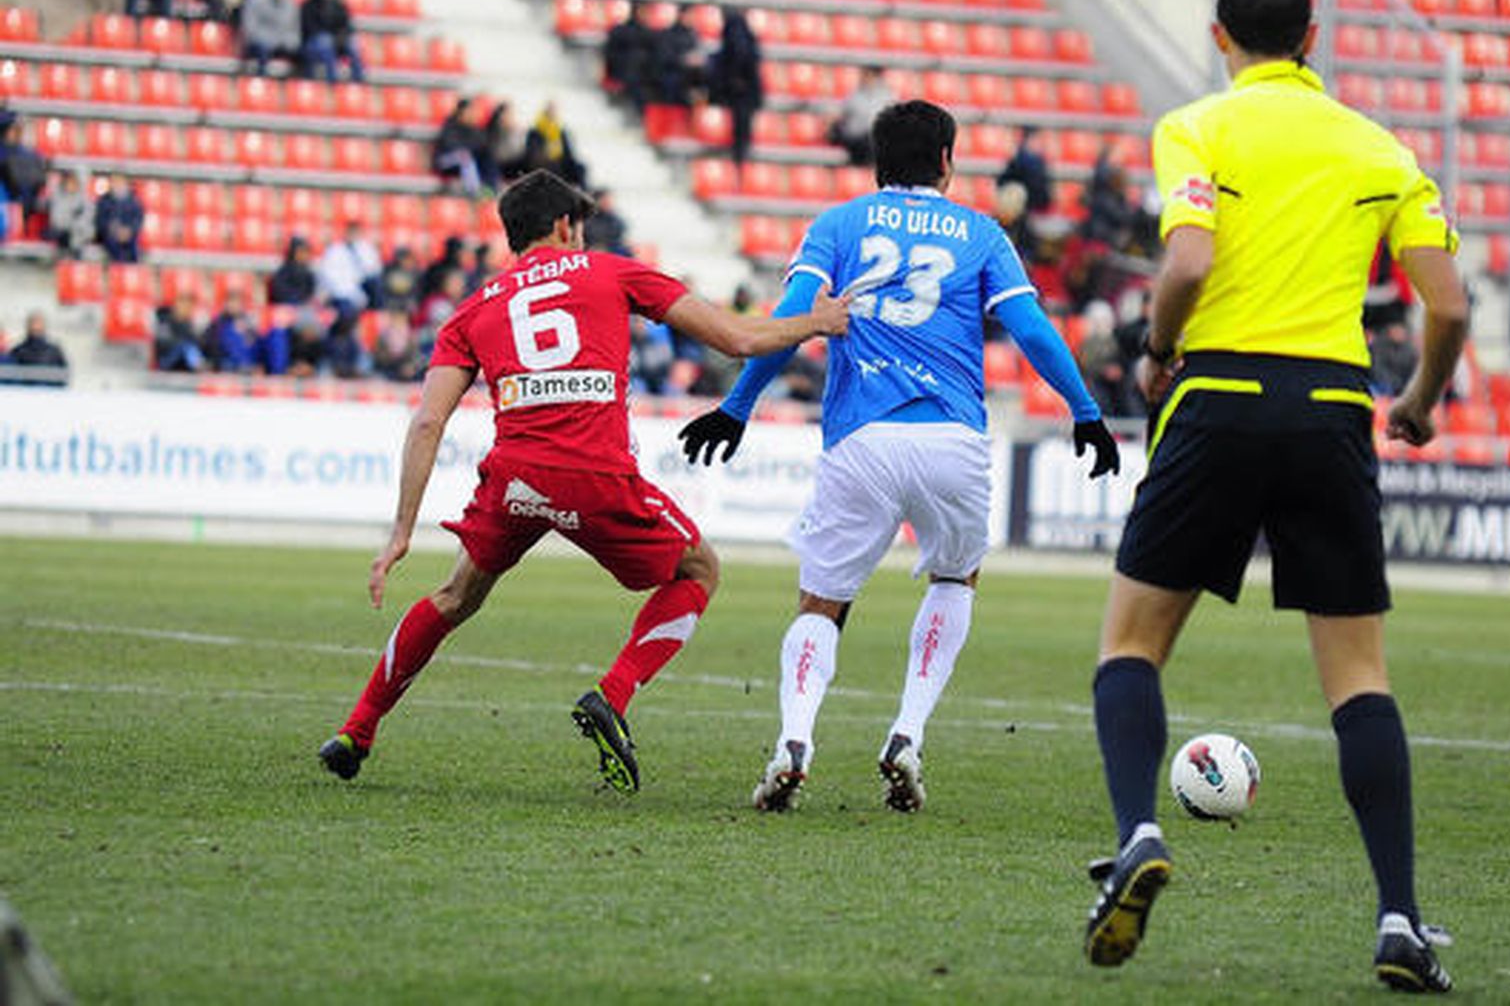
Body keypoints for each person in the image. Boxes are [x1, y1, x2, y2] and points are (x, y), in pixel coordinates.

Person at [1079, 0, 1469, 994]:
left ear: (1220, 38)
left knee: (1129, 643)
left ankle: (1138, 835)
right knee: (1356, 676)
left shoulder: (1198, 126)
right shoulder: (1379, 146)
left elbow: (1190, 263)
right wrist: (1421, 400)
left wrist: (1158, 350)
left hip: (1218, 396)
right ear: (1310, 35)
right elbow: (1449, 306)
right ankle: (1397, 918)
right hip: (1334, 409)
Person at [315, 170, 850, 792]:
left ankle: (356, 730)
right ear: (566, 227)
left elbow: (429, 420)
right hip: (595, 471)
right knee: (699, 568)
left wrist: (401, 532)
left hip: (515, 477)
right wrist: (815, 322)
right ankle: (613, 695)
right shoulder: (610, 271)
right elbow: (736, 337)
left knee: (456, 595)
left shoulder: (472, 309)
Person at [678, 100, 1119, 814]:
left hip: (861, 438)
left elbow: (792, 320)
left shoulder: (839, 224)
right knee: (956, 576)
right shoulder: (981, 233)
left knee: (821, 602)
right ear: (947, 160)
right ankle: (907, 733)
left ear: (877, 161)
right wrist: (1085, 410)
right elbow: (1031, 328)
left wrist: (737, 405)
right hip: (953, 439)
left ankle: (795, 740)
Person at [708, 9, 763, 168]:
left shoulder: (735, 35)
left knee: (741, 125)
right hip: (744, 93)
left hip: (740, 92)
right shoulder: (748, 38)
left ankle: (740, 153)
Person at [299, 0, 364, 84]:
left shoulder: (340, 6)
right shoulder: (309, 5)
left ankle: (358, 80)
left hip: (334, 41)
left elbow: (347, 27)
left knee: (352, 43)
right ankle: (332, 81)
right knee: (325, 41)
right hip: (313, 43)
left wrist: (340, 37)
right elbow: (309, 28)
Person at [829, 66, 896, 166]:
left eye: (868, 75)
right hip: (855, 139)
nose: (864, 78)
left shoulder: (888, 97)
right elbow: (839, 117)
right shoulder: (853, 95)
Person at [240, 0, 301, 75]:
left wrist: (290, 42)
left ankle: (300, 87)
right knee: (262, 50)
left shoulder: (291, 2)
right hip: (259, 43)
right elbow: (250, 28)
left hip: (282, 44)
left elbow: (295, 30)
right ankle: (263, 82)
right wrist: (271, 40)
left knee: (303, 54)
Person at [316, 219, 382, 315]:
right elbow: (328, 274)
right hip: (341, 291)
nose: (353, 235)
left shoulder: (367, 249)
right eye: (351, 232)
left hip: (362, 289)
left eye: (356, 232)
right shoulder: (335, 250)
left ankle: (374, 315)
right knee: (346, 309)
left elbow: (374, 270)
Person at [602, 3, 655, 115]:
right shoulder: (620, 31)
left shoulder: (650, 34)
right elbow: (609, 55)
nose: (646, 15)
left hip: (641, 81)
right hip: (624, 77)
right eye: (644, 11)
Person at [997, 126, 1052, 218]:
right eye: (1037, 140)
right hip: (1024, 209)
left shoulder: (1037, 161)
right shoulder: (1022, 161)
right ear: (1028, 140)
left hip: (1031, 208)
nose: (1040, 144)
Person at [433, 98, 484, 196]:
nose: (472, 115)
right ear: (461, 112)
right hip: (444, 161)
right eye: (469, 111)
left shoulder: (475, 130)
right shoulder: (450, 126)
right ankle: (474, 192)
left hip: (462, 164)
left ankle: (488, 188)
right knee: (465, 156)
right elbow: (451, 146)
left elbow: (480, 149)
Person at [94, 173, 144, 263]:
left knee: (134, 248)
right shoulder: (104, 201)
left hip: (128, 235)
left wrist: (129, 231)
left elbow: (138, 219)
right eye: (114, 181)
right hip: (110, 235)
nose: (117, 184)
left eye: (119, 181)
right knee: (113, 246)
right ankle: (118, 271)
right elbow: (100, 221)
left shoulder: (133, 201)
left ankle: (132, 271)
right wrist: (113, 230)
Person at [8, 312, 68, 385]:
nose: (35, 326)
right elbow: (11, 377)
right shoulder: (18, 351)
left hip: (49, 393)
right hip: (24, 394)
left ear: (44, 326)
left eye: (38, 324)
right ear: (28, 326)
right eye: (33, 323)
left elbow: (63, 375)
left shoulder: (54, 351)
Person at [46, 171, 95, 258]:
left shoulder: (84, 199)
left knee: (80, 235)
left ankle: (75, 260)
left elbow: (88, 216)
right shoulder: (58, 198)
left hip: (79, 232)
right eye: (69, 183)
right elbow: (56, 219)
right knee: (66, 236)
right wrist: (71, 225)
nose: (71, 186)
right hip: (63, 231)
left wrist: (76, 225)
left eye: (74, 183)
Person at [154, 290, 206, 372]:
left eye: (189, 306)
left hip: (185, 367)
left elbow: (199, 344)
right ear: (176, 304)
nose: (185, 309)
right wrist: (181, 344)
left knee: (189, 348)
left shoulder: (190, 325)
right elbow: (162, 344)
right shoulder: (165, 321)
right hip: (166, 364)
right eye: (183, 304)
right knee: (185, 347)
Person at [268, 235, 317, 304]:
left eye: (306, 251)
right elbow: (280, 296)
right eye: (301, 251)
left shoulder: (308, 274)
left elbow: (311, 295)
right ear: (293, 252)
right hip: (285, 310)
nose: (305, 255)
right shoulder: (282, 274)